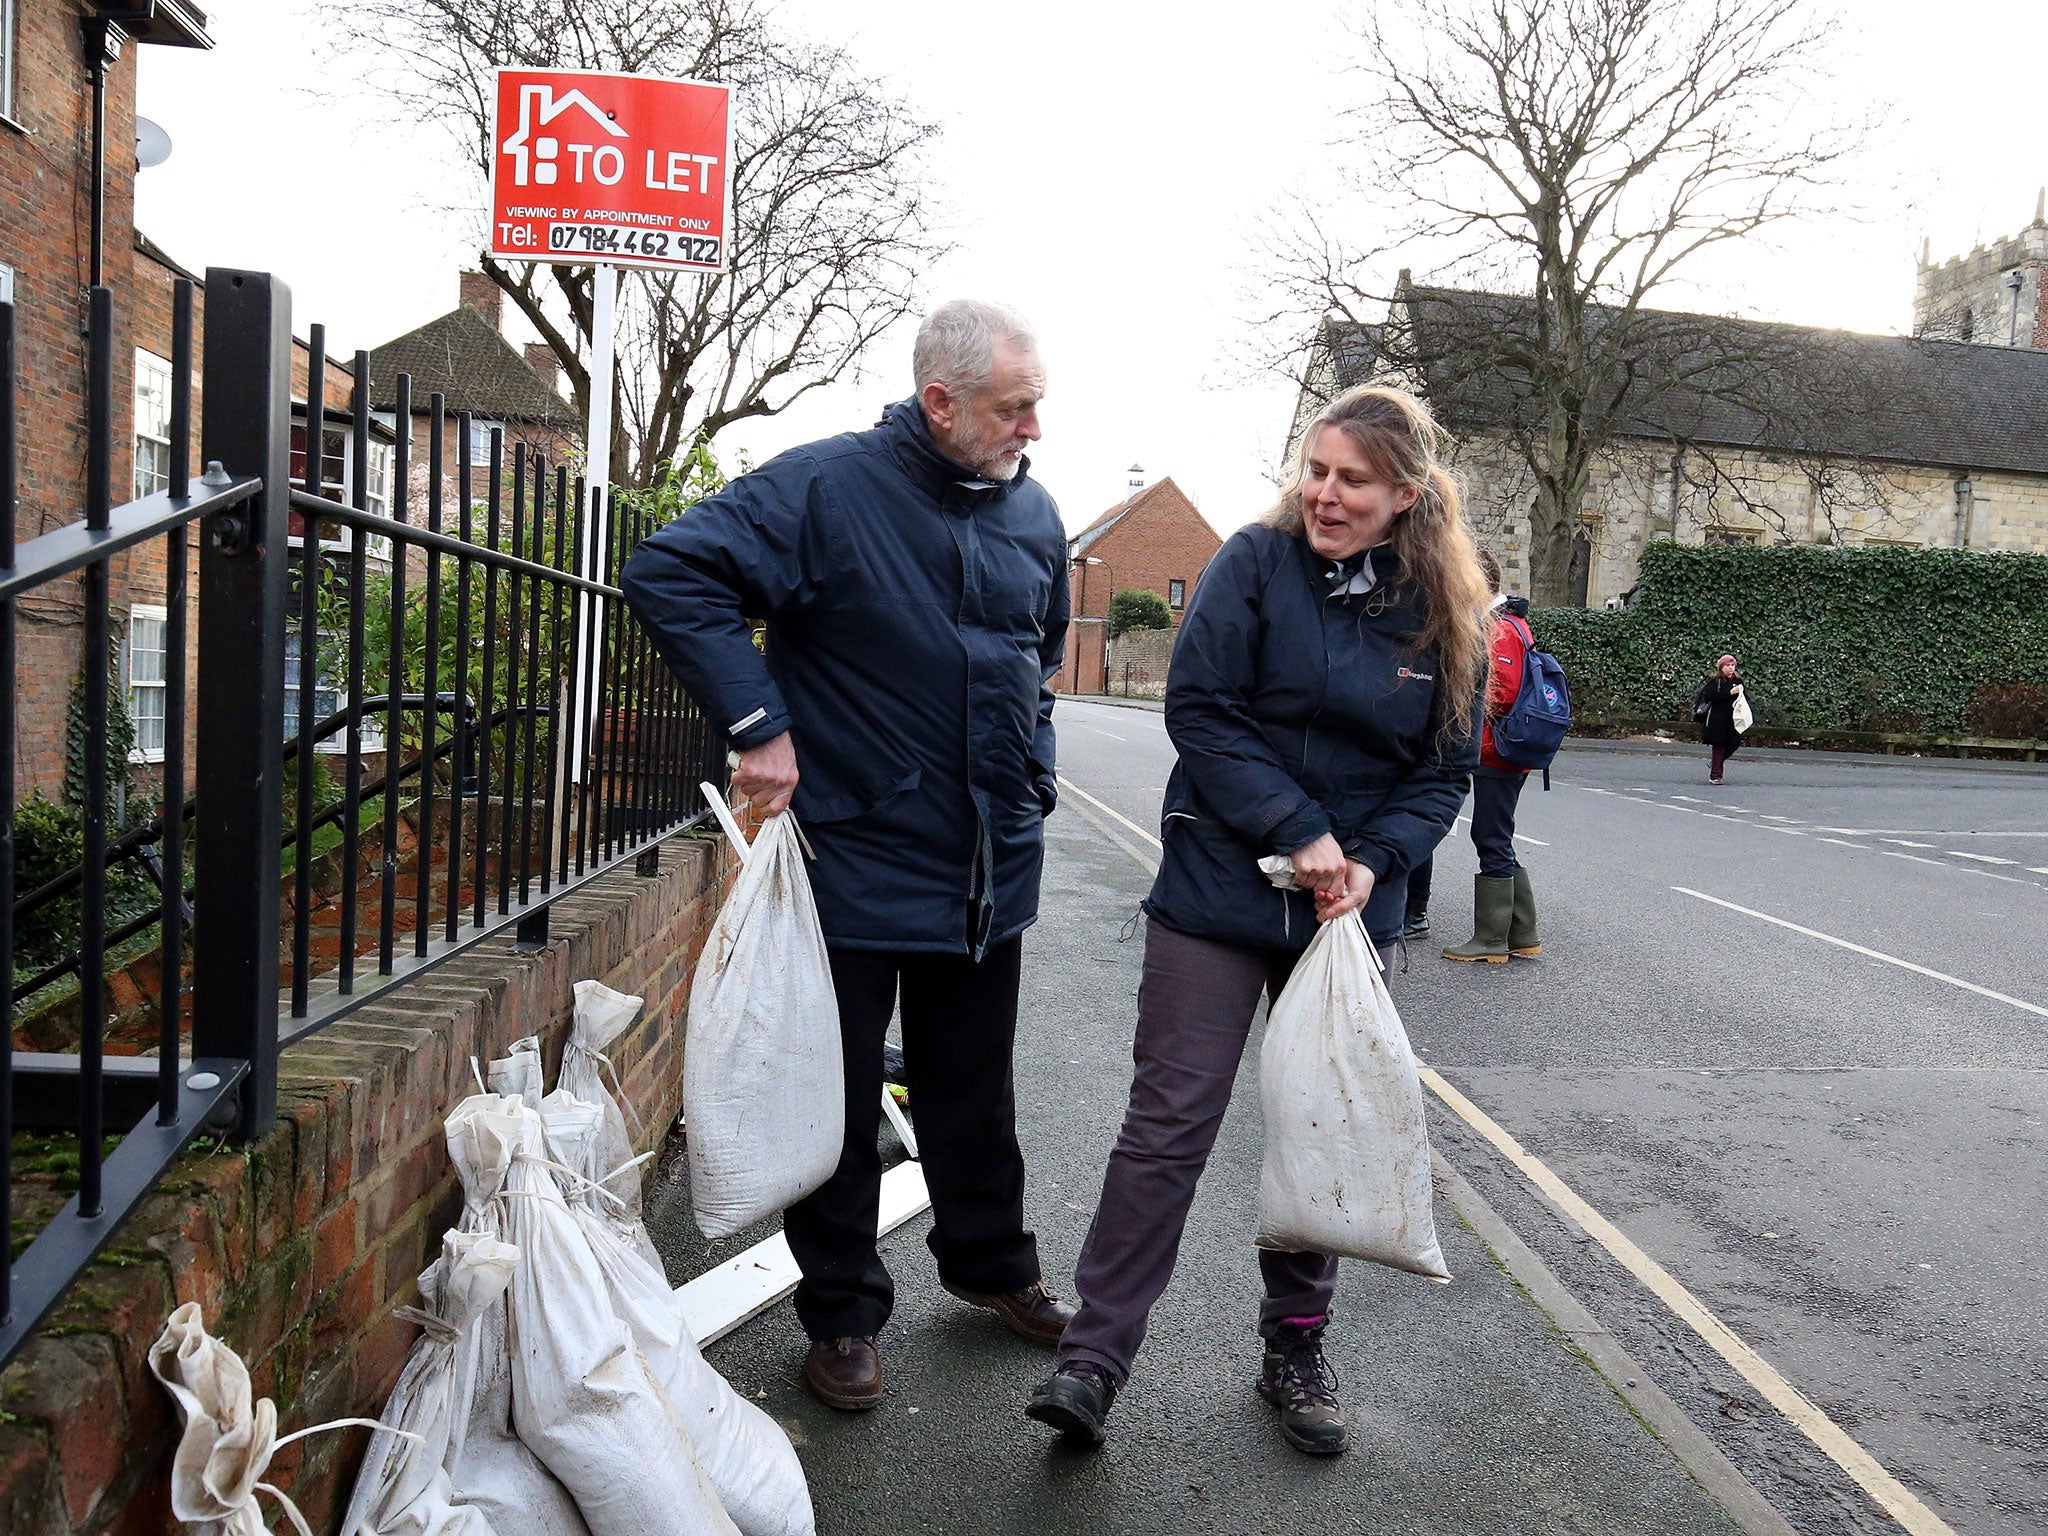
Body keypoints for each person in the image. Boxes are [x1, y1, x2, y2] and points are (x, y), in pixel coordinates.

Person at [621, 299, 1075, 1413]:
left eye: (1035, 407)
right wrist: (756, 725)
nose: (1032, 429)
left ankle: (988, 1267)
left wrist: (1036, 775)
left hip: (986, 866)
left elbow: (1037, 660)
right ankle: (840, 1317)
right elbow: (670, 571)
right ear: (941, 402)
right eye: (1014, 408)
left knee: (974, 1091)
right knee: (837, 1102)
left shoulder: (1035, 513)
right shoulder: (824, 489)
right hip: (857, 853)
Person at [1025, 384, 1488, 1455]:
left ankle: (1294, 1347)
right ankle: (1092, 1361)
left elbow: (1439, 777)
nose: (1323, 494)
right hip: (1217, 891)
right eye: (1315, 471)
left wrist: (1369, 862)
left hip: (1342, 913)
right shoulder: (1252, 563)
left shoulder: (1443, 610)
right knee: (1167, 1126)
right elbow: (1202, 712)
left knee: (1316, 1124)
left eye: (1351, 481)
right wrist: (1297, 829)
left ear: (1404, 495)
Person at [1442, 549, 1541, 964]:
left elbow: (1499, 693)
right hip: (1503, 750)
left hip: (1496, 750)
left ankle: (1491, 939)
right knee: (1496, 834)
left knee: (1490, 836)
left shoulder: (1500, 628)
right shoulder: (1510, 624)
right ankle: (1522, 933)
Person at [1695, 654, 1746, 784]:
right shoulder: (1715, 682)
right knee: (1719, 745)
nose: (1730, 668)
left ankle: (1715, 763)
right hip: (1717, 718)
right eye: (1727, 666)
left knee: (1734, 742)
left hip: (1733, 717)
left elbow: (1744, 698)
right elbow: (1712, 697)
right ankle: (1716, 776)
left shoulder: (1738, 681)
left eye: (1732, 665)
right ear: (1721, 667)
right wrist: (1730, 693)